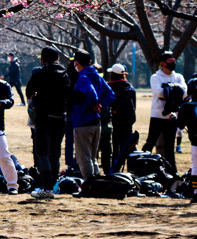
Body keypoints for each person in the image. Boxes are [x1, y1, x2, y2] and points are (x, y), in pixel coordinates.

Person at [25, 47, 70, 189]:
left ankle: (47, 187)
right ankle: (53, 186)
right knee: (55, 153)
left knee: (42, 153)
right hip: (60, 117)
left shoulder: (39, 73)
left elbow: (29, 92)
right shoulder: (65, 75)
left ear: (43, 59)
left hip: (44, 118)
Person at [70, 51, 115, 179]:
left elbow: (91, 93)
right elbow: (111, 94)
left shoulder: (83, 77)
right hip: (97, 122)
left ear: (76, 63)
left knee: (83, 157)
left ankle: (89, 185)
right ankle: (97, 183)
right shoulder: (98, 76)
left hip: (83, 121)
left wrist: (95, 104)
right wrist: (101, 104)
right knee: (92, 157)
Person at [141, 51, 186, 173]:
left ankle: (172, 172)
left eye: (174, 62)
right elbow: (159, 92)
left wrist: (169, 90)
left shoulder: (178, 77)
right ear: (163, 64)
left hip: (172, 117)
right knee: (150, 142)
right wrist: (175, 91)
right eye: (170, 62)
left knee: (170, 146)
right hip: (157, 116)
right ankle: (142, 167)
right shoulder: (155, 77)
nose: (173, 64)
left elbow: (184, 93)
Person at [106, 63, 137, 170]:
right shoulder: (130, 88)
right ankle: (132, 168)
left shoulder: (109, 87)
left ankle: (114, 170)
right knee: (128, 145)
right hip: (128, 122)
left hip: (115, 121)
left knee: (116, 147)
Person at [0, 74, 19, 193]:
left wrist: (0, 102)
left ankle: (12, 185)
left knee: (4, 156)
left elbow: (10, 101)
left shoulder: (3, 85)